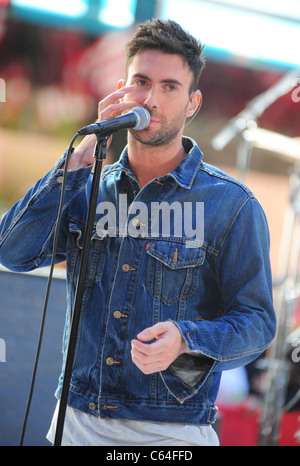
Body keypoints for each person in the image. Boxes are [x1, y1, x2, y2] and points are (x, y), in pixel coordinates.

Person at [0, 19, 276, 446]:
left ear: (192, 103)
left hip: (170, 431)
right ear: (120, 89)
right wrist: (70, 168)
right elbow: (13, 252)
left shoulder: (232, 205)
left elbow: (257, 324)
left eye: (169, 87)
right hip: (75, 420)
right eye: (141, 81)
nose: (151, 98)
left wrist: (187, 338)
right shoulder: (84, 184)